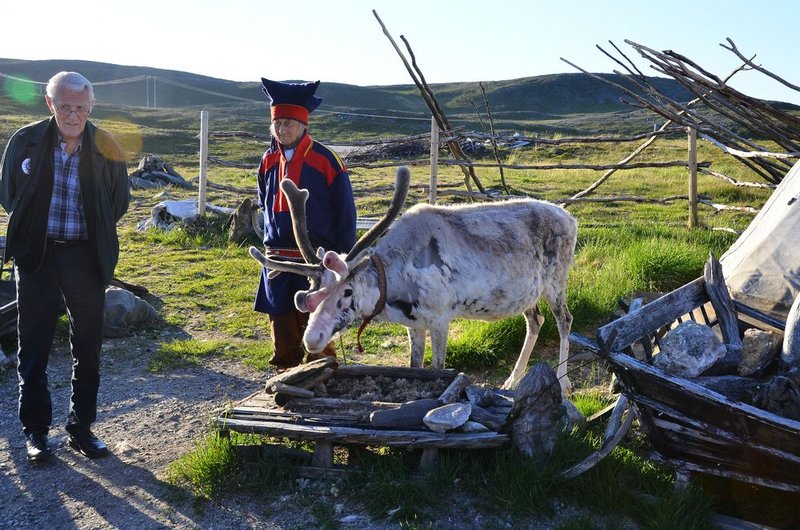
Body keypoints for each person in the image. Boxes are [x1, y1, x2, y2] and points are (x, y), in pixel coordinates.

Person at [0, 71, 130, 463]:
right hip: (36, 257)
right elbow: (9, 194)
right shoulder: (26, 141)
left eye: (81, 108)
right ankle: (36, 433)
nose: (73, 115)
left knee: (87, 346)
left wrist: (96, 236)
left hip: (85, 259)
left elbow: (118, 202)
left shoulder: (106, 145)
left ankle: (81, 429)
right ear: (50, 103)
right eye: (65, 106)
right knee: (33, 347)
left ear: (91, 108)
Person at [254, 78, 357, 370]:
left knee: (317, 321)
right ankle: (286, 376)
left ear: (303, 124)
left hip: (316, 259)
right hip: (277, 259)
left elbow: (345, 212)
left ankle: (322, 375)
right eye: (277, 123)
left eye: (288, 123)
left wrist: (343, 261)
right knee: (282, 323)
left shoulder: (326, 160)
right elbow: (264, 200)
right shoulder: (267, 160)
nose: (282, 129)